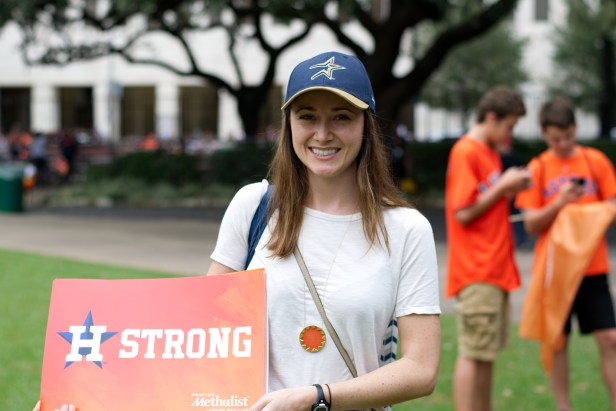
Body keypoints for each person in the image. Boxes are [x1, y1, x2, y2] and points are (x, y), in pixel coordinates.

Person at [33, 51, 441, 411]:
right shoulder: (255, 206)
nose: (322, 133)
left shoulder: (405, 229)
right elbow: (198, 334)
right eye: (307, 116)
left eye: (341, 117)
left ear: (366, 125)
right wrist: (79, 393)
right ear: (288, 125)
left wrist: (316, 396)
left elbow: (420, 369)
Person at [515, 96, 616, 411]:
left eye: (568, 136)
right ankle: (563, 406)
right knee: (557, 341)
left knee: (610, 338)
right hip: (555, 270)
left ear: (576, 128)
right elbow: (531, 223)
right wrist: (560, 203)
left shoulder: (595, 161)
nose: (563, 144)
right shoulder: (538, 168)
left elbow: (612, 205)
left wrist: (585, 216)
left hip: (592, 266)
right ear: (544, 134)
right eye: (556, 139)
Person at [445, 85, 530, 411]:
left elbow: (485, 205)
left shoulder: (489, 153)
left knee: (486, 354)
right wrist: (503, 185)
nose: (511, 134)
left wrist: (509, 187)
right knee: (473, 353)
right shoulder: (467, 151)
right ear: (491, 117)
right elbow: (463, 212)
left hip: (494, 267)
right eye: (510, 125)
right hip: (476, 268)